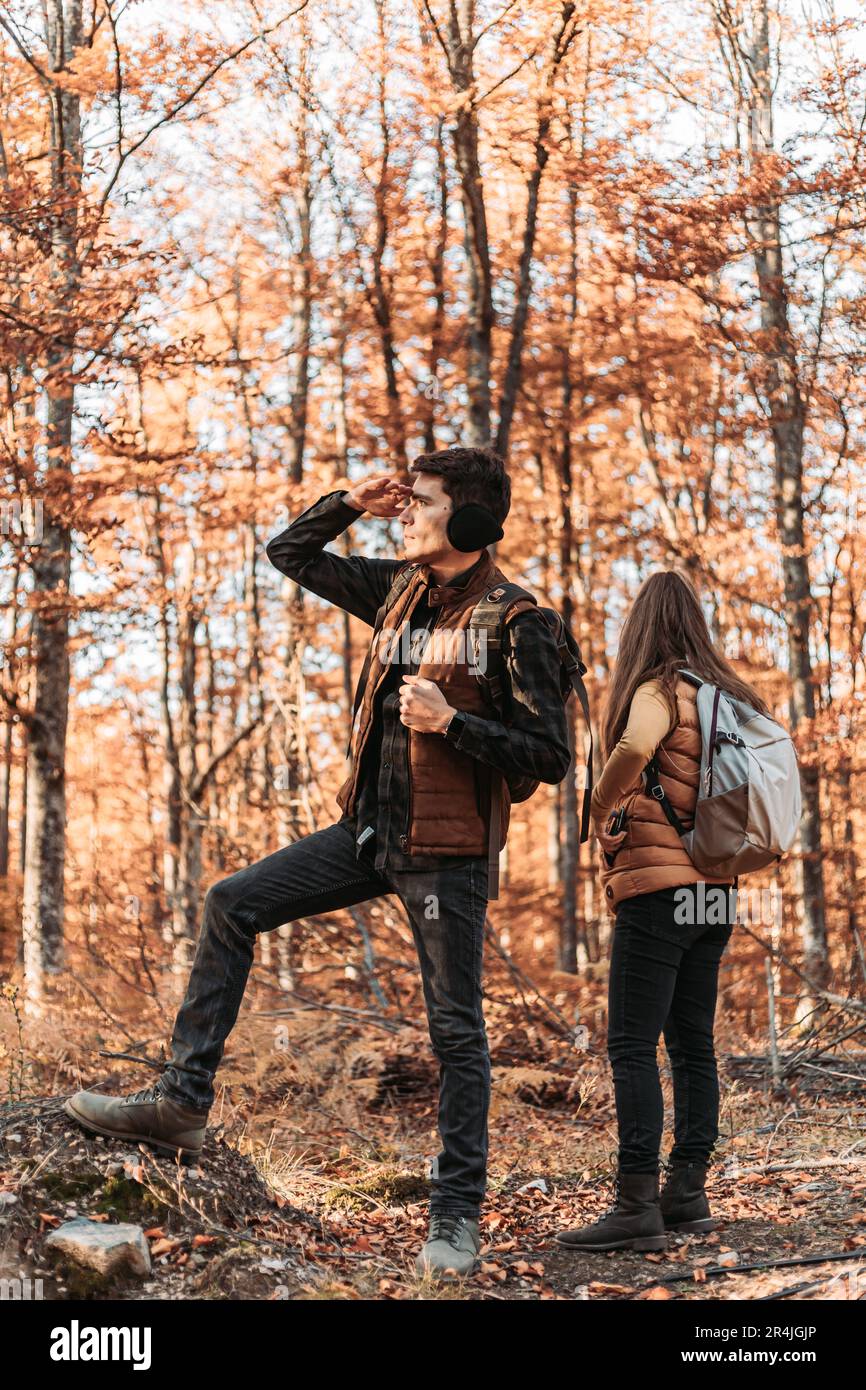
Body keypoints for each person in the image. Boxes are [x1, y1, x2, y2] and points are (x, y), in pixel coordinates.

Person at [64, 446, 571, 1279]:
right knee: (231, 901)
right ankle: (181, 1103)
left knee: (455, 1030)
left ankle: (454, 1219)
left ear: (472, 522)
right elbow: (289, 554)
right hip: (368, 833)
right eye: (403, 502)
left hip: (446, 856)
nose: (405, 514)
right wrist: (346, 500)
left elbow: (550, 754)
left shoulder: (518, 623)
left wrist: (452, 724)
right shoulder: (399, 591)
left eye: (424, 503)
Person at [555, 570, 770, 1253]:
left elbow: (635, 747)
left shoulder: (658, 690)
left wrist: (598, 800)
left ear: (642, 628)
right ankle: (689, 1191)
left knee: (630, 1047)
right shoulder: (728, 698)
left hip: (660, 894)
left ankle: (635, 1203)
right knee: (692, 1047)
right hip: (716, 892)